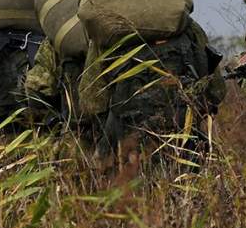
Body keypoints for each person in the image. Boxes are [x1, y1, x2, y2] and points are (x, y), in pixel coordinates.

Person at [78, 18, 225, 163]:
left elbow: (91, 103)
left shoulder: (106, 34)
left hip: (129, 149)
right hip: (183, 144)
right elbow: (217, 92)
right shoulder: (187, 26)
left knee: (101, 165)